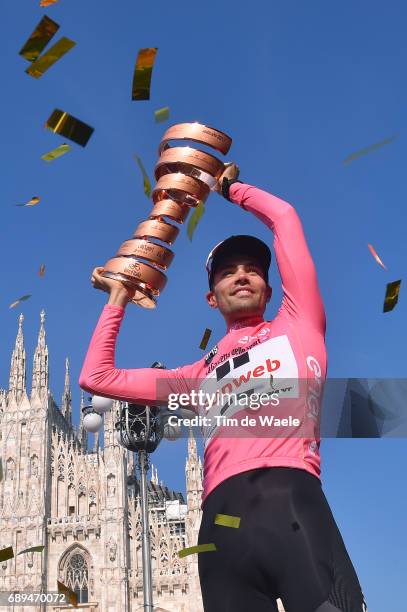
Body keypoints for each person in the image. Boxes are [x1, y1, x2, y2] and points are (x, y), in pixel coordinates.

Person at [79, 164, 368, 612]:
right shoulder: (199, 375)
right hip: (222, 529)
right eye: (227, 272)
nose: (241, 276)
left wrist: (228, 187)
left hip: (290, 503)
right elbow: (98, 378)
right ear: (211, 298)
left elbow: (285, 218)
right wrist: (118, 297)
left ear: (271, 289)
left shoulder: (299, 326)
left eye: (252, 269)